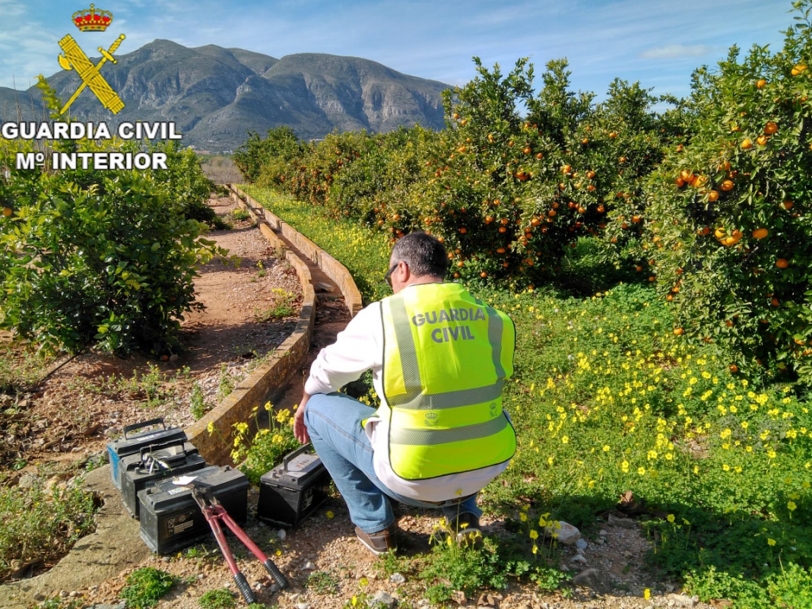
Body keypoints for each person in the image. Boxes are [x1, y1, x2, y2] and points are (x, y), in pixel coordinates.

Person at [293, 231, 516, 556]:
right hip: (488, 467)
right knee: (466, 408)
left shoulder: (384, 317)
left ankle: (375, 528)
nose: (391, 285)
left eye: (390, 276)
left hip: (410, 478)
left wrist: (304, 401)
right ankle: (463, 515)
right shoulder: (495, 320)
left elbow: (326, 372)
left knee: (317, 409)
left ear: (402, 270)